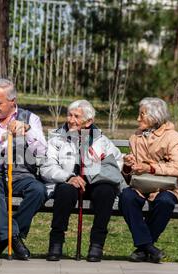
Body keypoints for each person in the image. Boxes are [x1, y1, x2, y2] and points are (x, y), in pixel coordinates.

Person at [40, 100, 123, 262]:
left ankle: (97, 244)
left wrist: (100, 173)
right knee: (65, 190)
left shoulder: (101, 140)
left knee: (106, 191)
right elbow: (47, 167)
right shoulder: (57, 138)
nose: (71, 120)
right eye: (69, 115)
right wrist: (68, 177)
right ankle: (56, 242)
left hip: (95, 184)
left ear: (88, 121)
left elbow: (117, 161)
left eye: (76, 116)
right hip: (68, 181)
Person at [0, 78, 47, 260]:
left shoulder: (31, 119)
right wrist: (4, 136)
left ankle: (3, 240)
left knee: (38, 190)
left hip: (21, 174)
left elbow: (42, 151)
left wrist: (28, 131)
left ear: (12, 102)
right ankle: (13, 237)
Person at [118, 97, 178, 263]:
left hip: (165, 188)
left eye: (142, 115)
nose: (138, 119)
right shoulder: (135, 137)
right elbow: (128, 177)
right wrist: (127, 166)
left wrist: (150, 168)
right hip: (141, 187)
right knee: (126, 197)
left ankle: (143, 248)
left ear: (155, 116)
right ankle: (149, 247)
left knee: (165, 203)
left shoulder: (173, 137)